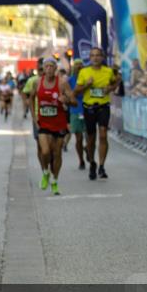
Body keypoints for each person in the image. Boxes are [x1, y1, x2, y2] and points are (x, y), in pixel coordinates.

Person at [74, 47, 118, 180]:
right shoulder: (84, 72)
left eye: (98, 55)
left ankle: (102, 166)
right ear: (89, 58)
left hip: (103, 106)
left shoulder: (108, 71)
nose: (95, 58)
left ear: (102, 57)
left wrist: (110, 88)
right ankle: (92, 162)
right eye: (92, 55)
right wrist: (87, 85)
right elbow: (76, 91)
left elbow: (115, 83)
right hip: (89, 107)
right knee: (91, 138)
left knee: (103, 134)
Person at [33, 57, 75, 195]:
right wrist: (34, 118)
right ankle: (45, 172)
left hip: (59, 123)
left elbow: (74, 101)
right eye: (47, 66)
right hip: (43, 123)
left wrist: (67, 100)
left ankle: (55, 180)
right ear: (43, 68)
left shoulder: (62, 83)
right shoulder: (37, 82)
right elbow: (30, 98)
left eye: (52, 66)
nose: (49, 69)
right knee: (45, 151)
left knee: (57, 153)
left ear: (56, 68)